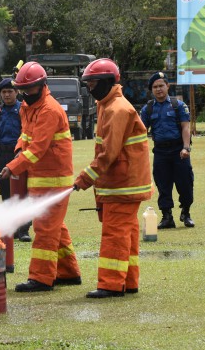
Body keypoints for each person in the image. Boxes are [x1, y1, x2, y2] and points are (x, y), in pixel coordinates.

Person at [0, 62, 82, 292]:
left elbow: (38, 148)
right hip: (39, 177)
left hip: (54, 179)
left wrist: (13, 166)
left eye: (29, 89)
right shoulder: (28, 106)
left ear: (41, 85)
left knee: (45, 228)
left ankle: (41, 279)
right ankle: (69, 272)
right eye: (22, 90)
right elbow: (25, 136)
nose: (26, 94)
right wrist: (17, 150)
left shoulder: (49, 110)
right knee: (56, 227)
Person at [73, 59, 152, 298]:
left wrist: (85, 178)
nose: (90, 88)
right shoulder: (107, 104)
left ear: (107, 82)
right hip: (122, 183)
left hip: (122, 184)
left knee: (115, 235)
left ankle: (110, 284)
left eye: (93, 83)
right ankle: (128, 281)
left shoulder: (117, 109)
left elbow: (108, 153)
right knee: (126, 234)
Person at [140, 71, 195, 229]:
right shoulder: (148, 109)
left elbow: (186, 127)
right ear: (152, 90)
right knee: (163, 185)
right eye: (155, 87)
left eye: (161, 86)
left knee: (185, 183)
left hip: (179, 151)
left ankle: (186, 213)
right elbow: (142, 131)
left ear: (167, 86)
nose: (158, 89)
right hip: (160, 152)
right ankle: (167, 216)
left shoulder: (178, 105)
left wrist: (186, 147)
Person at [0, 78, 31, 242]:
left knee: (22, 192)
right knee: (6, 192)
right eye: (3, 92)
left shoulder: (23, 110)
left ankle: (24, 229)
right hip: (2, 155)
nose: (6, 95)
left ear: (16, 92)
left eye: (10, 91)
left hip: (19, 154)